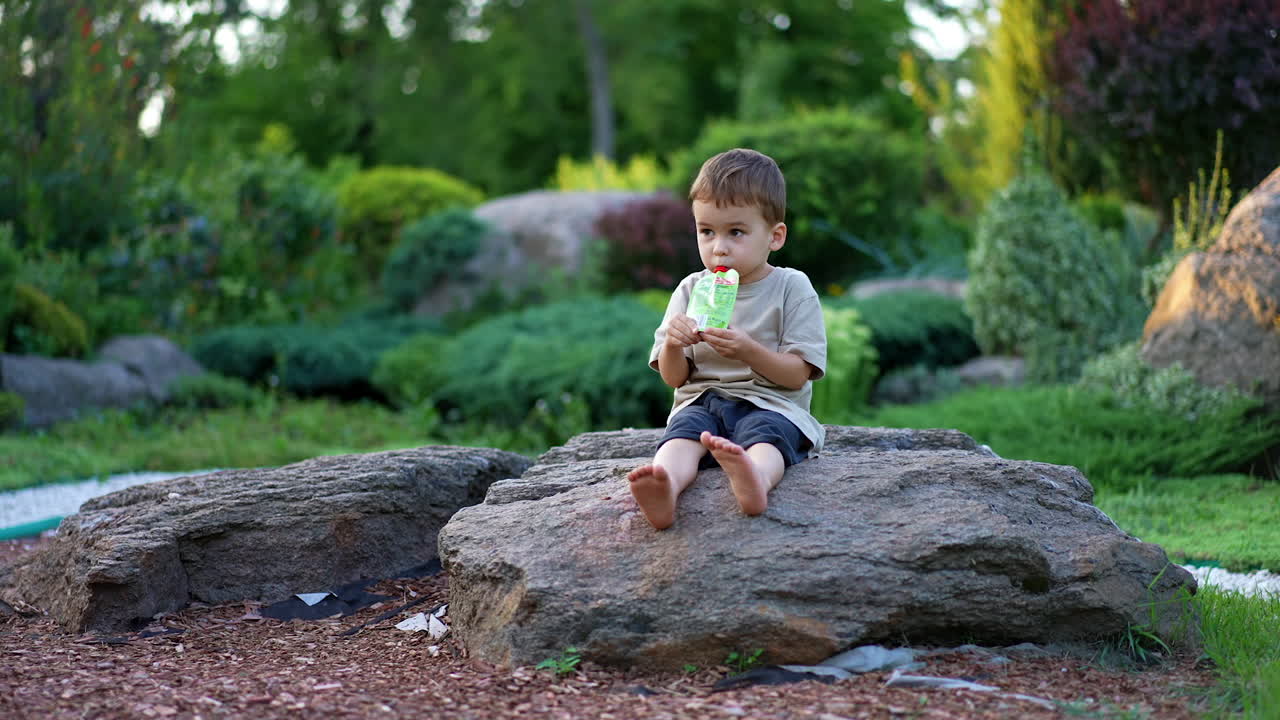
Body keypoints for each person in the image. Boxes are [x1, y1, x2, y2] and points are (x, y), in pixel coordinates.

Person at [628, 148, 827, 530]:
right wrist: (673, 343)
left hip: (771, 404)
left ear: (775, 236)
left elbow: (797, 376)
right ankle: (666, 488)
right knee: (681, 436)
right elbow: (674, 378)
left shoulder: (791, 287)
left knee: (766, 438)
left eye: (736, 232)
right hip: (702, 400)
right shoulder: (691, 290)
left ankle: (755, 478)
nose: (718, 246)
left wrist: (749, 351)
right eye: (707, 231)